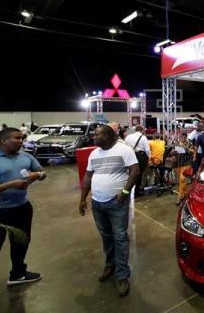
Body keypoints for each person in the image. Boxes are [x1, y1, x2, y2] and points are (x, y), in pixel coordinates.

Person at [0, 127, 47, 288]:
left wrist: (37, 175)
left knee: (21, 243)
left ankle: (18, 274)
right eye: (17, 138)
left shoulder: (26, 156)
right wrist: (11, 184)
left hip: (22, 208)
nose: (21, 141)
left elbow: (42, 172)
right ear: (4, 140)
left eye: (22, 138)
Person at [78, 125, 139, 297]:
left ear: (107, 136)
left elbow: (135, 171)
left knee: (120, 237)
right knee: (106, 236)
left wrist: (125, 192)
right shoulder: (94, 153)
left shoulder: (124, 150)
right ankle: (110, 265)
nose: (93, 137)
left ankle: (122, 275)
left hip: (116, 203)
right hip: (98, 203)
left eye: (96, 134)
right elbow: (88, 176)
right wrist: (83, 198)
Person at [125, 125, 150, 196]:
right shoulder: (143, 137)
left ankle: (127, 191)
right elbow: (147, 150)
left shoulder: (128, 137)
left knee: (131, 173)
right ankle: (137, 191)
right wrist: (148, 159)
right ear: (142, 130)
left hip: (130, 156)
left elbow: (125, 146)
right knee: (139, 174)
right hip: (140, 157)